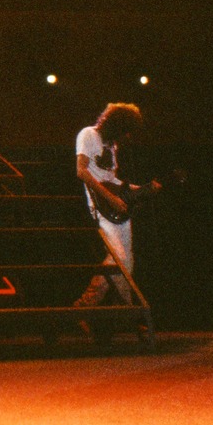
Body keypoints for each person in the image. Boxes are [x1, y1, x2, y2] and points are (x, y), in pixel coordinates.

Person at [73, 102, 148, 308]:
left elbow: (111, 179)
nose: (127, 137)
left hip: (115, 208)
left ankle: (124, 307)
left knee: (126, 262)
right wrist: (110, 198)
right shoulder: (89, 135)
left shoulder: (111, 146)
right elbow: (81, 171)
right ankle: (85, 305)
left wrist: (141, 188)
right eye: (125, 131)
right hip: (101, 206)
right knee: (118, 258)